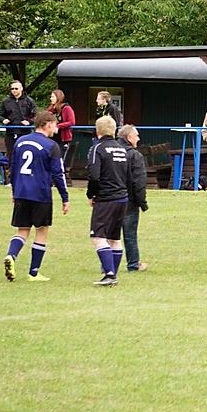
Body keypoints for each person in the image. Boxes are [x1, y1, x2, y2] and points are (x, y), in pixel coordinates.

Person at [2, 112, 70, 282]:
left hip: (22, 192)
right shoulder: (51, 146)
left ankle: (11, 255)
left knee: (22, 229)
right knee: (42, 230)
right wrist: (65, 197)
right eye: (55, 124)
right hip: (40, 193)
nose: (56, 128)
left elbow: (13, 168)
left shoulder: (20, 141)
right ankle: (34, 272)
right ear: (47, 124)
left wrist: (14, 192)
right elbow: (58, 174)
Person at [87, 115, 130, 287]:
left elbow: (94, 176)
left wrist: (91, 195)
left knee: (98, 236)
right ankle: (113, 274)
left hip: (106, 198)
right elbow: (127, 174)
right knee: (114, 238)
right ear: (114, 130)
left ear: (97, 130)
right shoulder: (122, 149)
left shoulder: (97, 149)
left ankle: (110, 274)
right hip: (122, 198)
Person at [118, 125, 149, 272]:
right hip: (129, 200)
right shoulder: (135, 156)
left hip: (111, 199)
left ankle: (107, 264)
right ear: (129, 138)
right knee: (130, 234)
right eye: (136, 135)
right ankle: (133, 263)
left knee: (111, 234)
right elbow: (139, 182)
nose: (138, 138)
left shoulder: (110, 152)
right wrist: (142, 202)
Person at [0, 80, 37, 169]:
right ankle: (11, 175)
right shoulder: (6, 101)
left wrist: (29, 122)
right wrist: (3, 120)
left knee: (25, 154)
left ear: (21, 88)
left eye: (16, 88)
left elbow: (35, 115)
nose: (14, 90)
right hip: (10, 133)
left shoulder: (29, 101)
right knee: (11, 155)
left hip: (25, 133)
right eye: (12, 89)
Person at [47, 89, 76, 185]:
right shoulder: (51, 109)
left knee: (59, 159)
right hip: (52, 138)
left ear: (58, 98)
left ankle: (60, 180)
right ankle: (51, 180)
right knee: (50, 158)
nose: (51, 98)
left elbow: (71, 122)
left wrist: (58, 126)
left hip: (63, 138)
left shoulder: (66, 108)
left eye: (53, 97)